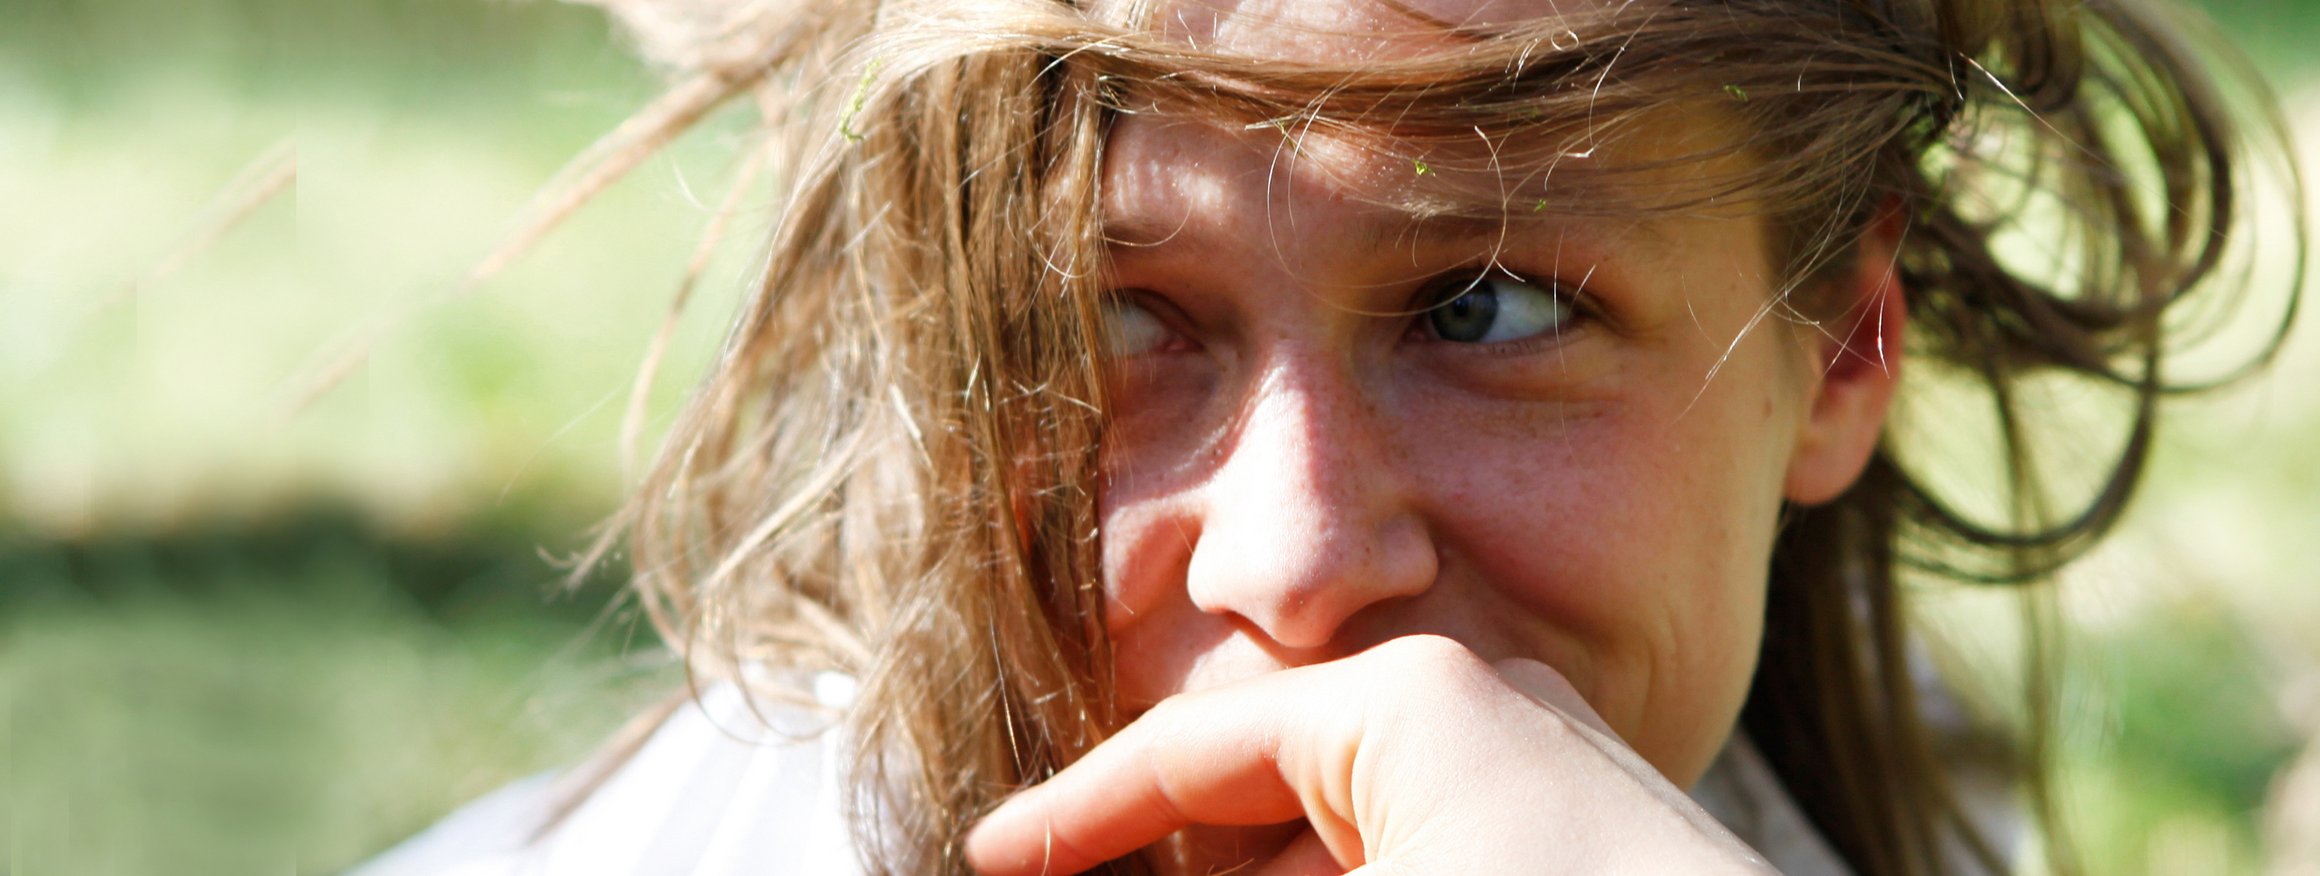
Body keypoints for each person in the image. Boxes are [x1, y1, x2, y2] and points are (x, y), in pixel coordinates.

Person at [356, 0, 2304, 873]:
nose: (1287, 562)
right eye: (1107, 318)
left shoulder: (1885, 801)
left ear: (1843, 343)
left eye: (1491, 305)